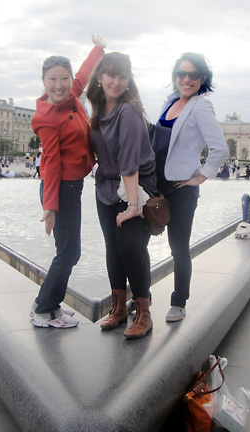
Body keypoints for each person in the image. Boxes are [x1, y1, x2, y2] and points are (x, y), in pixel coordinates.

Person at [29, 35, 106, 329]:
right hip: (60, 187)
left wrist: (99, 48)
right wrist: (50, 207)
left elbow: (86, 73)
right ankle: (43, 308)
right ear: (43, 81)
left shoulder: (72, 94)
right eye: (52, 80)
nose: (59, 85)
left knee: (68, 251)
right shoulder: (46, 118)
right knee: (69, 252)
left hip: (72, 185)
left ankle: (51, 305)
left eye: (64, 78)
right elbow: (50, 162)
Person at [150, 52, 229, 322]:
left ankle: (179, 301)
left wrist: (201, 176)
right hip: (155, 184)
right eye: (181, 73)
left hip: (182, 188)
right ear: (174, 76)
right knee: (138, 241)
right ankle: (141, 297)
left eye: (193, 74)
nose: (186, 79)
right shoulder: (168, 102)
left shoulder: (201, 106)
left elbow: (220, 148)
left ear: (202, 79)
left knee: (178, 247)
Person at [88, 52, 157, 339]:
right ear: (100, 78)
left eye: (122, 76)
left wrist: (132, 206)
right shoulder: (97, 110)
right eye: (111, 75)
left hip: (136, 187)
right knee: (112, 249)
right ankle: (118, 308)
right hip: (106, 187)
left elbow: (129, 163)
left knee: (130, 247)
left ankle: (143, 311)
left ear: (128, 81)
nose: (116, 81)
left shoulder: (127, 112)